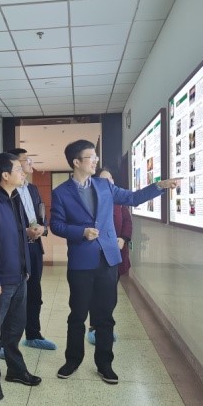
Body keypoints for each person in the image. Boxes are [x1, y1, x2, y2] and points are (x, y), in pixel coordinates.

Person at [50, 140, 177, 384]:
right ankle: (72, 360)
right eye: (91, 157)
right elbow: (56, 225)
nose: (96, 161)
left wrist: (159, 186)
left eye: (95, 156)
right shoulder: (61, 193)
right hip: (81, 262)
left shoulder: (105, 185)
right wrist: (81, 232)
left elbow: (133, 198)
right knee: (77, 315)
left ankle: (105, 363)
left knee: (105, 315)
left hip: (108, 260)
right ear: (76, 162)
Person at [0, 152, 42, 401]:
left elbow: (18, 235)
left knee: (15, 329)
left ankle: (15, 370)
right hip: (0, 281)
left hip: (20, 276)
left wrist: (27, 265)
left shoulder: (15, 200)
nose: (23, 172)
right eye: (18, 169)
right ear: (5, 175)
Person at [8, 148, 56, 351]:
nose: (29, 162)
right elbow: (5, 223)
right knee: (13, 296)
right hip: (16, 249)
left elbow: (41, 212)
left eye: (30, 159)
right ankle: (5, 341)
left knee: (35, 292)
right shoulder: (7, 191)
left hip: (35, 247)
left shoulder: (33, 189)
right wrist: (24, 231)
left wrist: (43, 228)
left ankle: (33, 334)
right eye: (25, 160)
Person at [86, 167, 132, 346]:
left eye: (111, 178)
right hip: (98, 255)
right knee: (97, 293)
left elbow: (127, 222)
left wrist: (123, 238)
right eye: (104, 179)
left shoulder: (118, 200)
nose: (109, 181)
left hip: (117, 253)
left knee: (110, 294)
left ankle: (106, 326)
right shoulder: (91, 200)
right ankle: (94, 327)